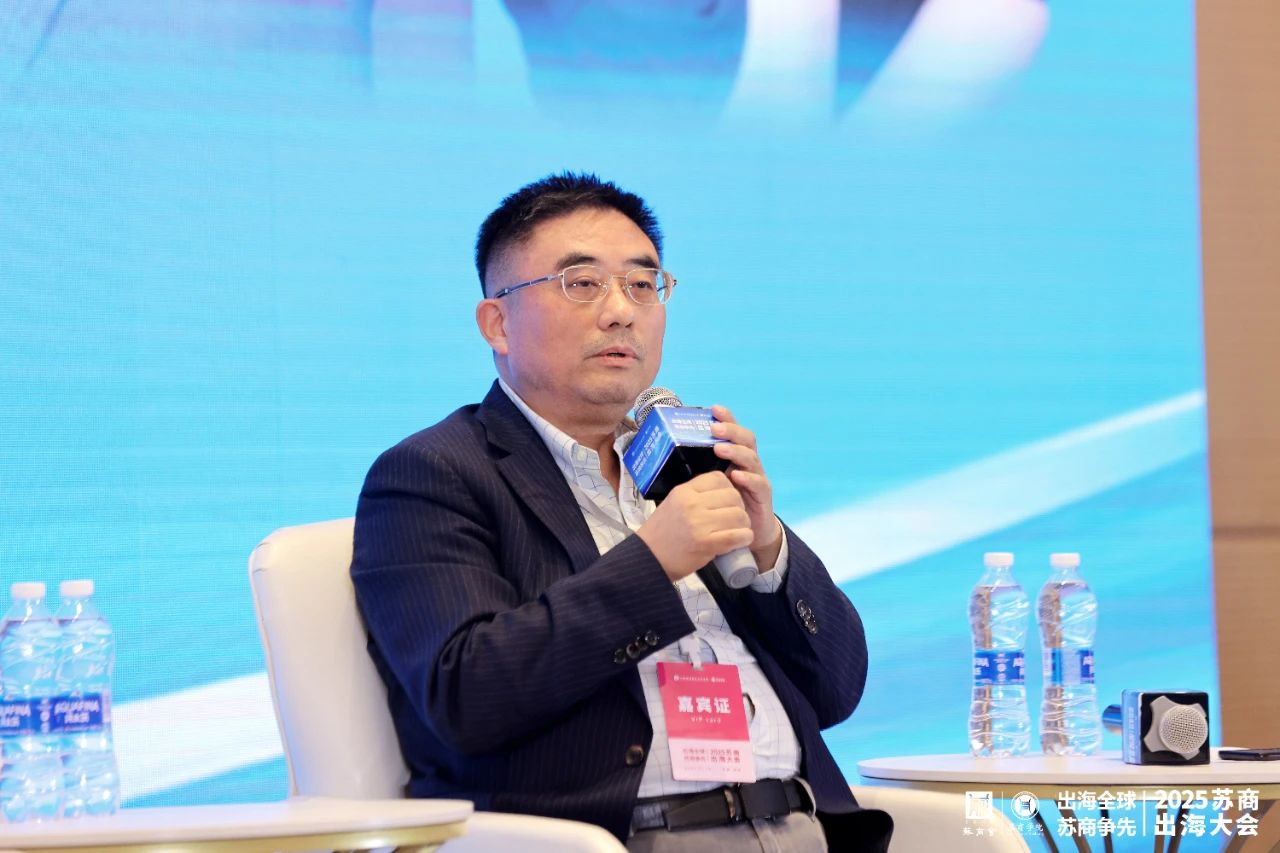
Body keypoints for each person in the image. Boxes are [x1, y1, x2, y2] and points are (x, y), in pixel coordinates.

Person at [351, 172, 892, 852]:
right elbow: (465, 696)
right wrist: (653, 564)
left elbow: (837, 691)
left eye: (642, 284)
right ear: (498, 323)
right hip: (618, 839)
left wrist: (767, 551)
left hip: (803, 826)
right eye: (581, 283)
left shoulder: (682, 462)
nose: (620, 311)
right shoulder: (435, 473)